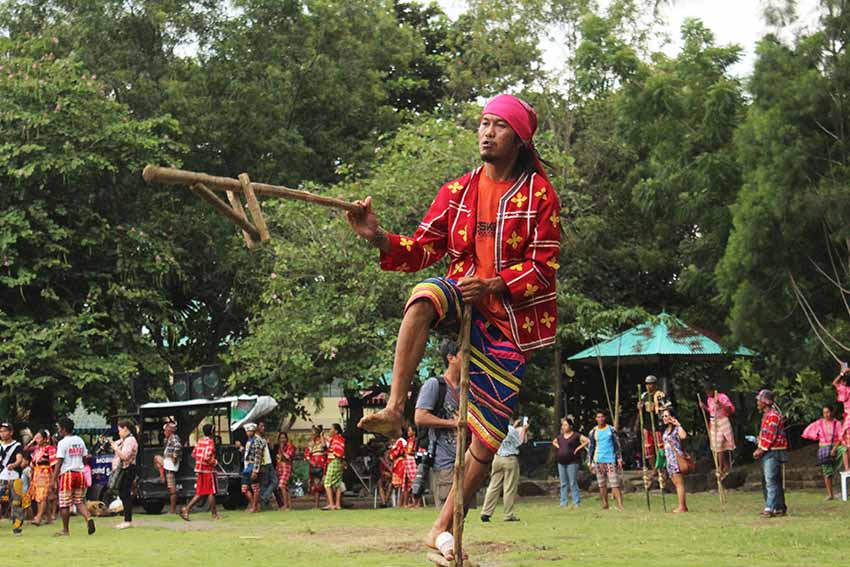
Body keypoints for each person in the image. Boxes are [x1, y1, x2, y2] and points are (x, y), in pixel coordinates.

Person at [348, 93, 560, 563]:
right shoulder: (457, 191)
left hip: (508, 323)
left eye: (497, 125)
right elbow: (422, 248)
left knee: (485, 442)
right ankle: (395, 407)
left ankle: (442, 530)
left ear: (518, 138)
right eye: (482, 123)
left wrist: (496, 283)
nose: (486, 132)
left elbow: (544, 266)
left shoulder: (540, 196)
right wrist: (379, 236)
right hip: (462, 297)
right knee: (424, 295)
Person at [414, 339, 461, 510]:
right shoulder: (435, 385)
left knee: (461, 514)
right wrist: (453, 423)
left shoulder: (467, 388)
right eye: (465, 355)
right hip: (444, 463)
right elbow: (420, 417)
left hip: (465, 460)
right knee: (447, 515)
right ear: (451, 358)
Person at [51, 417, 95, 536]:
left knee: (64, 503)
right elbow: (85, 457)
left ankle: (65, 530)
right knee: (79, 501)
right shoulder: (79, 440)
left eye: (59, 428)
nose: (59, 430)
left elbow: (59, 462)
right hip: (80, 473)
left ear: (64, 429)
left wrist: (53, 479)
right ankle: (88, 518)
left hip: (67, 474)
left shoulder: (62, 443)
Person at [481, 419, 529, 522]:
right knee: (509, 488)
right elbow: (519, 442)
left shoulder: (495, 428)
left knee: (493, 486)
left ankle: (486, 512)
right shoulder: (511, 430)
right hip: (510, 459)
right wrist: (524, 429)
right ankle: (508, 514)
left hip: (497, 457)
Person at [754, 389, 788, 517]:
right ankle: (779, 507)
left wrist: (760, 449)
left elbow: (770, 436)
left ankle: (769, 508)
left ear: (765, 402)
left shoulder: (773, 416)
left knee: (770, 480)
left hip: (773, 452)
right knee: (773, 480)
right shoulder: (767, 415)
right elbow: (766, 434)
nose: (757, 403)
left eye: (759, 400)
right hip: (771, 451)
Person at [801, 405, 845, 500]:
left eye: (828, 412)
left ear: (832, 412)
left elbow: (841, 437)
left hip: (835, 446)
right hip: (824, 448)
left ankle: (845, 475)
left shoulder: (837, 423)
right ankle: (830, 494)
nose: (826, 415)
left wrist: (834, 449)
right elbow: (809, 432)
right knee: (827, 471)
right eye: (824, 412)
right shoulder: (819, 423)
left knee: (844, 451)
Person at [181, 423, 219, 520]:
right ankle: (214, 514)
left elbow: (194, 454)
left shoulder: (199, 441)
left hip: (199, 470)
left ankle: (186, 509)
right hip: (208, 471)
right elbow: (207, 457)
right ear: (211, 432)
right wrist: (215, 462)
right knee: (211, 492)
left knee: (200, 493)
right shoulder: (210, 442)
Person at [588, 411, 624, 511]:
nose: (600, 419)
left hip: (610, 459)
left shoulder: (611, 430)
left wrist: (619, 458)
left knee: (614, 483)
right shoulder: (593, 432)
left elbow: (617, 444)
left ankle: (620, 504)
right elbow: (591, 447)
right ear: (596, 419)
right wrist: (590, 462)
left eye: (602, 417)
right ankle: (605, 503)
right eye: (598, 417)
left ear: (605, 418)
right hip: (598, 459)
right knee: (601, 484)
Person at [699, 383, 736, 479]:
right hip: (714, 422)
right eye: (706, 393)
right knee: (717, 445)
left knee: (723, 444)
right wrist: (704, 408)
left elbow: (730, 410)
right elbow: (712, 411)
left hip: (722, 420)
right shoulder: (709, 399)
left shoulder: (722, 397)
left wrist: (720, 403)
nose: (708, 394)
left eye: (709, 392)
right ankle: (722, 466)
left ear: (712, 390)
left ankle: (722, 466)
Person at [552, 417, 589, 508]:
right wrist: (558, 447)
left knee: (572, 482)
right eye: (563, 425)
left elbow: (587, 440)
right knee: (563, 483)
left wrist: (578, 448)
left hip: (573, 462)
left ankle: (576, 502)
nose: (563, 427)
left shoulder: (576, 435)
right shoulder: (560, 437)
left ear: (570, 426)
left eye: (565, 425)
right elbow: (554, 441)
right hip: (561, 462)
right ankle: (563, 502)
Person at [109, 420, 138, 529]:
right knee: (123, 493)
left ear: (126, 428)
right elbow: (116, 443)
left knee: (125, 494)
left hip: (128, 469)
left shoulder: (130, 440)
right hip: (124, 469)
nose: (119, 433)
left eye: (120, 430)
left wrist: (116, 448)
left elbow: (125, 456)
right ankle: (127, 519)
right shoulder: (125, 440)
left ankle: (128, 520)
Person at [637, 375, 668, 471]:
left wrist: (656, 408)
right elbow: (641, 409)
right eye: (648, 384)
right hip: (647, 425)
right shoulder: (644, 396)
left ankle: (662, 468)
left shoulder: (660, 395)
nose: (649, 386)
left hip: (657, 425)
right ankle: (654, 468)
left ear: (655, 385)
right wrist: (640, 407)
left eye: (651, 384)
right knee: (648, 448)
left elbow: (666, 408)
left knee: (660, 447)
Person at [661, 409, 689, 513]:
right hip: (669, 459)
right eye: (663, 416)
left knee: (679, 483)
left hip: (676, 458)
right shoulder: (666, 430)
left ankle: (682, 506)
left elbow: (683, 436)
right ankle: (682, 505)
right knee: (675, 482)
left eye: (666, 416)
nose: (664, 418)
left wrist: (678, 424)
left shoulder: (676, 429)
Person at [29, 429, 57, 525]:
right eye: (36, 438)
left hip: (45, 473)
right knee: (38, 496)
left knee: (42, 496)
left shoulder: (50, 449)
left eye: (39, 438)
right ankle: (48, 518)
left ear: (45, 439)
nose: (37, 440)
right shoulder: (37, 449)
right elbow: (32, 461)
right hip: (37, 473)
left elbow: (54, 465)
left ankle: (39, 517)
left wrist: (54, 479)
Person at [0, 422, 23, 518]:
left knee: (16, 501)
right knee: (2, 499)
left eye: (5, 431)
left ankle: (17, 525)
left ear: (11, 432)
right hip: (2, 476)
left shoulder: (17, 445)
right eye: (1, 431)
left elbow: (19, 459)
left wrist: (14, 465)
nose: (2, 433)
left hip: (14, 476)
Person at [241, 423, 264, 513]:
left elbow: (258, 456)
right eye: (247, 431)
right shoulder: (249, 441)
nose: (247, 432)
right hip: (247, 467)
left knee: (255, 488)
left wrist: (256, 470)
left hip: (253, 466)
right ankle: (254, 505)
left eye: (249, 431)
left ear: (253, 431)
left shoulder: (256, 441)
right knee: (244, 488)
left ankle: (254, 507)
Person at [161, 421, 182, 514]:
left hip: (170, 465)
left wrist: (174, 456)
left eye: (165, 431)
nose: (164, 432)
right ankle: (162, 475)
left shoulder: (174, 438)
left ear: (169, 431)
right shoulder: (168, 439)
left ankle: (173, 510)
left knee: (172, 489)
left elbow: (178, 446)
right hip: (167, 463)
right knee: (156, 459)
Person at [323, 423, 345, 511]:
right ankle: (337, 504)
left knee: (327, 483)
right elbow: (327, 443)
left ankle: (331, 504)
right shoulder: (339, 439)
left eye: (331, 429)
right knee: (337, 483)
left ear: (336, 431)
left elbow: (338, 452)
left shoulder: (336, 440)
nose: (330, 430)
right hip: (338, 462)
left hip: (334, 461)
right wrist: (323, 436)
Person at [832, 364, 850, 471]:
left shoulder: (844, 389)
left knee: (846, 445)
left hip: (848, 420)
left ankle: (848, 468)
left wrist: (842, 373)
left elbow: (834, 383)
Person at [304, 426, 327, 509]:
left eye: (313, 432)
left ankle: (330, 503)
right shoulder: (311, 443)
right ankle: (316, 505)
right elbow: (306, 455)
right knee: (316, 486)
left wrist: (322, 437)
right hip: (314, 467)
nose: (312, 434)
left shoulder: (323, 441)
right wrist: (311, 462)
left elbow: (325, 448)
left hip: (323, 465)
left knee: (325, 484)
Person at [275, 432, 296, 510]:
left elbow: (288, 457)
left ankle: (285, 505)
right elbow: (278, 459)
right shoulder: (279, 448)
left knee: (282, 486)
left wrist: (281, 450)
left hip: (286, 467)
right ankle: (289, 506)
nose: (282, 440)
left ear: (286, 439)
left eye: (284, 438)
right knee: (285, 488)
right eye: (281, 438)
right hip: (280, 468)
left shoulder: (290, 446)